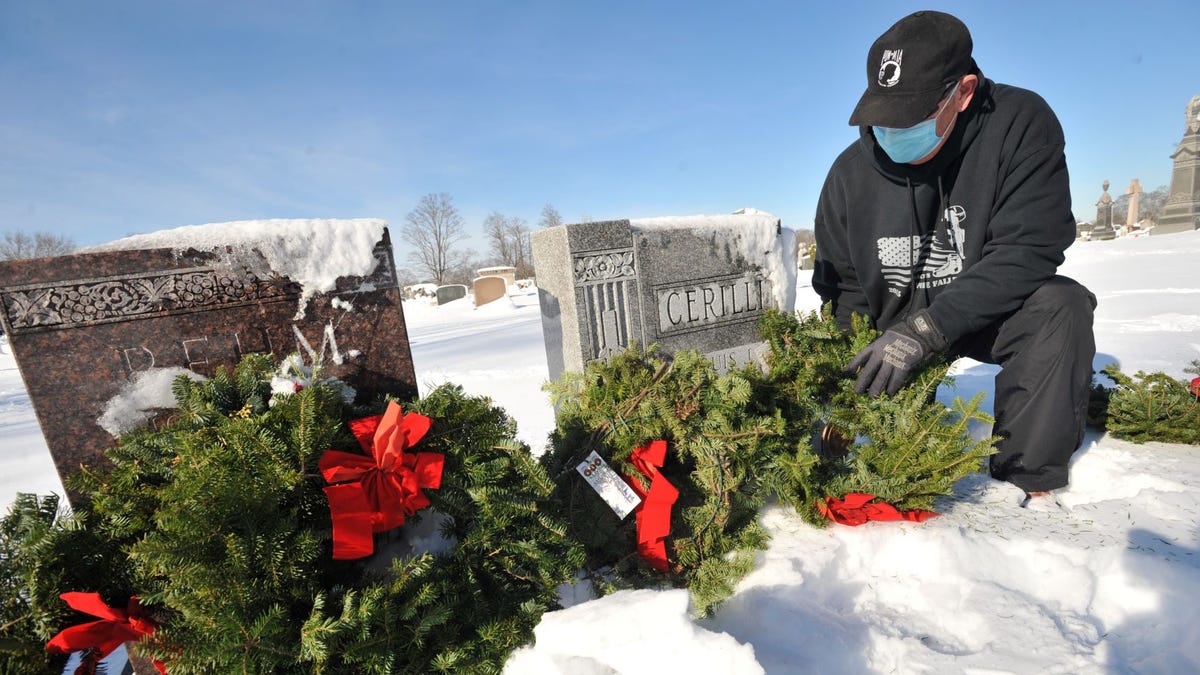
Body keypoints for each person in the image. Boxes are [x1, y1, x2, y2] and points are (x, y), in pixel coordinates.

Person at [812, 10, 1096, 503]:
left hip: (984, 312)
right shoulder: (849, 175)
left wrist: (929, 329)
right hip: (889, 325)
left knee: (1061, 307)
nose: (891, 132)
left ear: (963, 93)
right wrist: (838, 402)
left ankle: (1024, 481)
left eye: (910, 119)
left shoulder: (1020, 124)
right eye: (883, 118)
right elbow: (846, 292)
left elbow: (1029, 248)